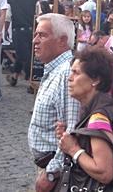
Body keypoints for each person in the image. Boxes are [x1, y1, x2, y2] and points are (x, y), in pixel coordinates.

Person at [55, 46, 113, 190]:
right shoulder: (102, 106)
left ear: (95, 80)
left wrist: (73, 149)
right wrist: (73, 137)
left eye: (76, 72)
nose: (69, 78)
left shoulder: (99, 117)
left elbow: (104, 172)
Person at [29, 14, 80, 192]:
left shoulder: (67, 74)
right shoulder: (54, 69)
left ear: (62, 41)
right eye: (36, 34)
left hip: (58, 173)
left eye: (42, 35)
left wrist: (51, 173)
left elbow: (71, 130)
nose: (35, 40)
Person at [8, 0, 39, 87]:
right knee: (27, 54)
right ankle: (15, 76)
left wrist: (5, 30)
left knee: (24, 55)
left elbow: (7, 15)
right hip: (31, 29)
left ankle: (31, 82)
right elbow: (38, 15)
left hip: (17, 29)